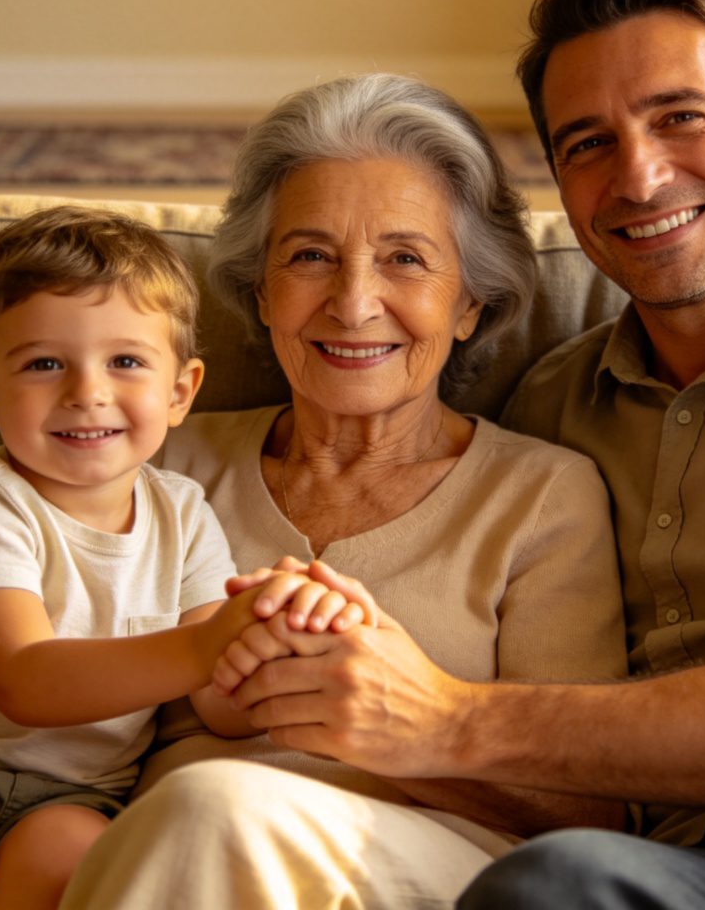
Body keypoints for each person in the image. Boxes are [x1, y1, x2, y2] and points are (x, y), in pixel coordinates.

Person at [176, 0, 705, 909]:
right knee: (555, 886)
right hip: (675, 870)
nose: (638, 175)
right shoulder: (553, 403)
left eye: (681, 116)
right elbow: (18, 519)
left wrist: (447, 721)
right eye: (588, 142)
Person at [53, 72, 629, 908]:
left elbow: (587, 808)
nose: (355, 304)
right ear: (260, 290)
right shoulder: (157, 462)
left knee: (212, 803)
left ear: (469, 301)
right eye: (311, 256)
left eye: (405, 259)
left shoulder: (542, 497)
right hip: (164, 863)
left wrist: (399, 728)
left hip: (424, 873)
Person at [0, 207, 369, 910]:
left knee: (71, 858)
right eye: (44, 364)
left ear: (180, 391)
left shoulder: (184, 513)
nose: (87, 392)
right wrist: (207, 644)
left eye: (125, 361)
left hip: (80, 794)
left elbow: (216, 704)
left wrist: (274, 641)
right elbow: (24, 681)